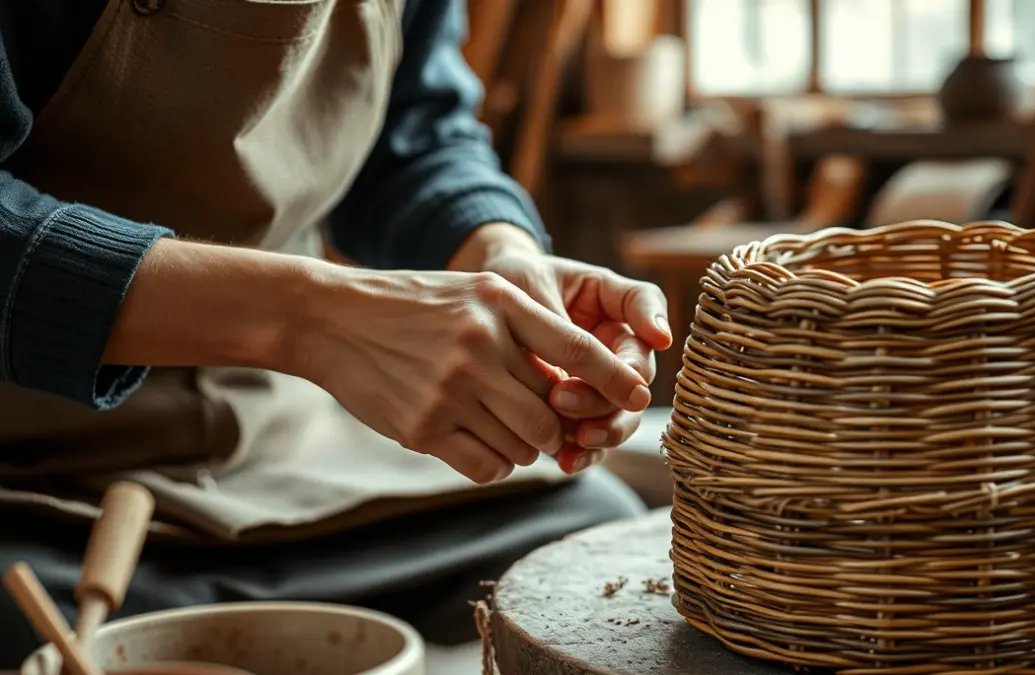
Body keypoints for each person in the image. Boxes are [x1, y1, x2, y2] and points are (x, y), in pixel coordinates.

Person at [0, 0, 672, 665]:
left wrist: (501, 254)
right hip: (35, 478)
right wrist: (307, 319)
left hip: (287, 448)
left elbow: (413, 132)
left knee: (588, 549)